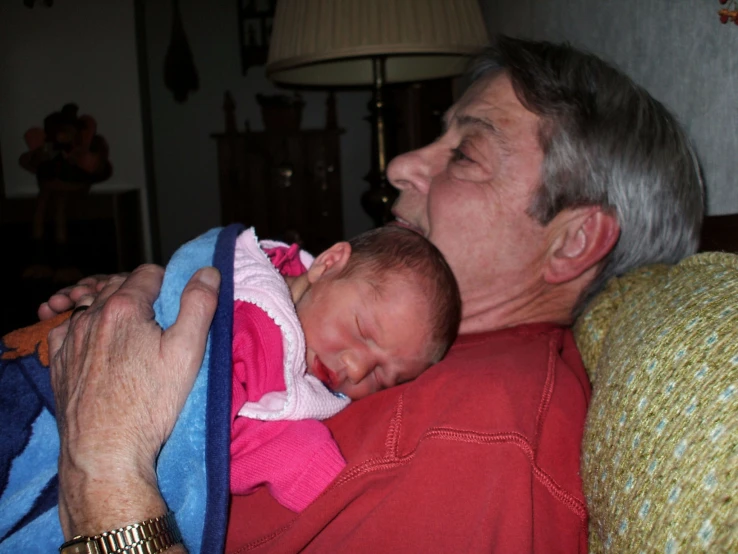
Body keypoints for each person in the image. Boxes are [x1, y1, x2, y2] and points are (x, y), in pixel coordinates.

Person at [41, 35, 703, 553]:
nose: (400, 164)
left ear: (572, 242)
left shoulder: (482, 439)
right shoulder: (415, 353)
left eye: (465, 154)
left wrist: (103, 470)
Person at [228, 225, 460, 512]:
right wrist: (308, 464)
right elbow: (205, 428)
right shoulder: (250, 322)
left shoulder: (306, 317)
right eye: (362, 331)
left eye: (380, 377)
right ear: (329, 264)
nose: (357, 368)